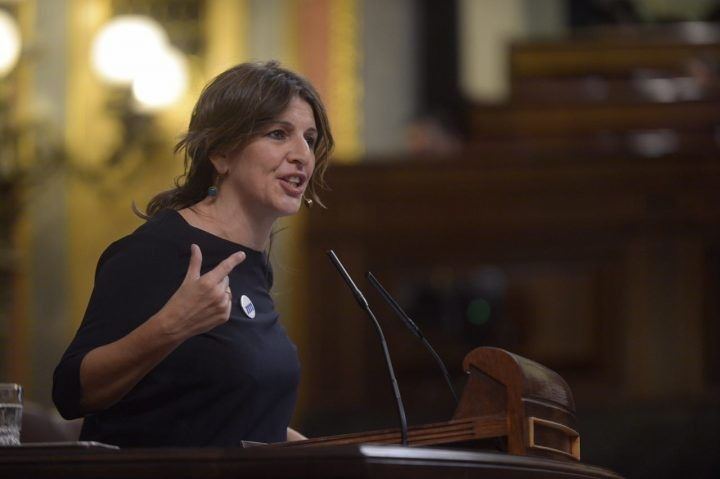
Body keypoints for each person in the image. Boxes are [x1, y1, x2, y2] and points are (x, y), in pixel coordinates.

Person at [52, 61, 334, 447]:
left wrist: (333, 456)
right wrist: (172, 325)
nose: (302, 153)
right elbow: (71, 392)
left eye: (310, 138)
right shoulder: (159, 251)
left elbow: (233, 413)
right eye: (278, 133)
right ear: (221, 153)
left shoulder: (251, 266)